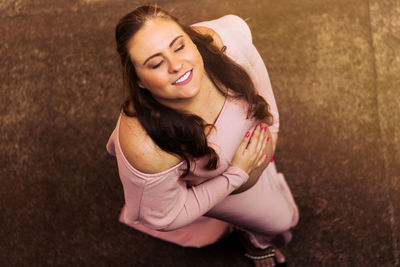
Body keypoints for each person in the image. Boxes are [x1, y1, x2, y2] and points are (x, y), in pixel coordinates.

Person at [106, 5, 299, 267]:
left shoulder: (219, 42)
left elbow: (253, 63)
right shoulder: (147, 147)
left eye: (178, 46)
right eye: (156, 63)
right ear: (139, 79)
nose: (177, 65)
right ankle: (257, 244)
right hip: (234, 194)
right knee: (281, 220)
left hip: (260, 157)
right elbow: (165, 216)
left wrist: (271, 129)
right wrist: (236, 175)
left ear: (190, 38)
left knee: (275, 207)